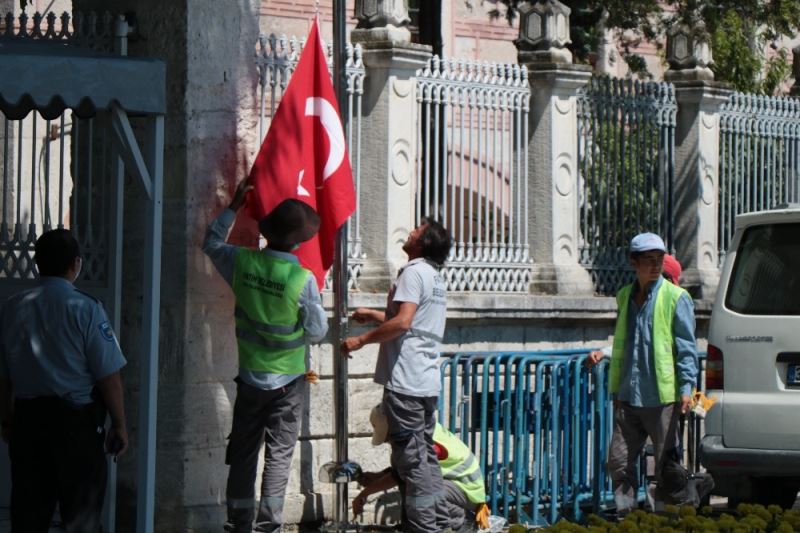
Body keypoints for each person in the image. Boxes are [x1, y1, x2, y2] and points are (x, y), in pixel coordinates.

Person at [203, 178, 328, 533]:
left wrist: (234, 206)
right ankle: (268, 527)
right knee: (278, 456)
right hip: (287, 384)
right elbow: (317, 332)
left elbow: (210, 243)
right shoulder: (302, 281)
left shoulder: (242, 262)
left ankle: (238, 523)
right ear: (300, 242)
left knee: (242, 454)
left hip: (250, 378)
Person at [0, 228, 128, 532]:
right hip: (76, 427)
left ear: (37, 263)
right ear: (76, 264)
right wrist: (120, 424)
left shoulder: (12, 308)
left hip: (29, 423)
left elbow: (2, 375)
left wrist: (7, 420)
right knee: (81, 519)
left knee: (28, 516)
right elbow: (108, 375)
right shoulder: (86, 308)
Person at [341, 218, 452, 533]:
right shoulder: (433, 276)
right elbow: (414, 321)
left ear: (423, 242)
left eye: (418, 230)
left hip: (406, 381)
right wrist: (377, 316)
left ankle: (423, 527)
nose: (411, 230)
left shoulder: (413, 272)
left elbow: (403, 323)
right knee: (424, 460)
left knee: (412, 463)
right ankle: (437, 522)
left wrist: (361, 340)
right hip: (424, 380)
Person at [586, 232, 699, 515]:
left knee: (666, 466)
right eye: (648, 260)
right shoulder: (624, 296)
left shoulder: (677, 298)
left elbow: (686, 348)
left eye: (659, 259)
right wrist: (615, 386)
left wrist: (687, 388)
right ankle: (625, 515)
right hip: (628, 395)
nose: (655, 265)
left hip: (663, 397)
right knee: (619, 461)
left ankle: (666, 517)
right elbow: (626, 343)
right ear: (633, 262)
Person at [353, 404, 490, 532]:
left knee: (425, 491)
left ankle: (461, 524)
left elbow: (407, 473)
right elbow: (402, 471)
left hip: (466, 488)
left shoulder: (418, 438)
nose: (388, 441)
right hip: (456, 483)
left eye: (387, 437)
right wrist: (377, 478)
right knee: (416, 485)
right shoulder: (415, 427)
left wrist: (365, 493)